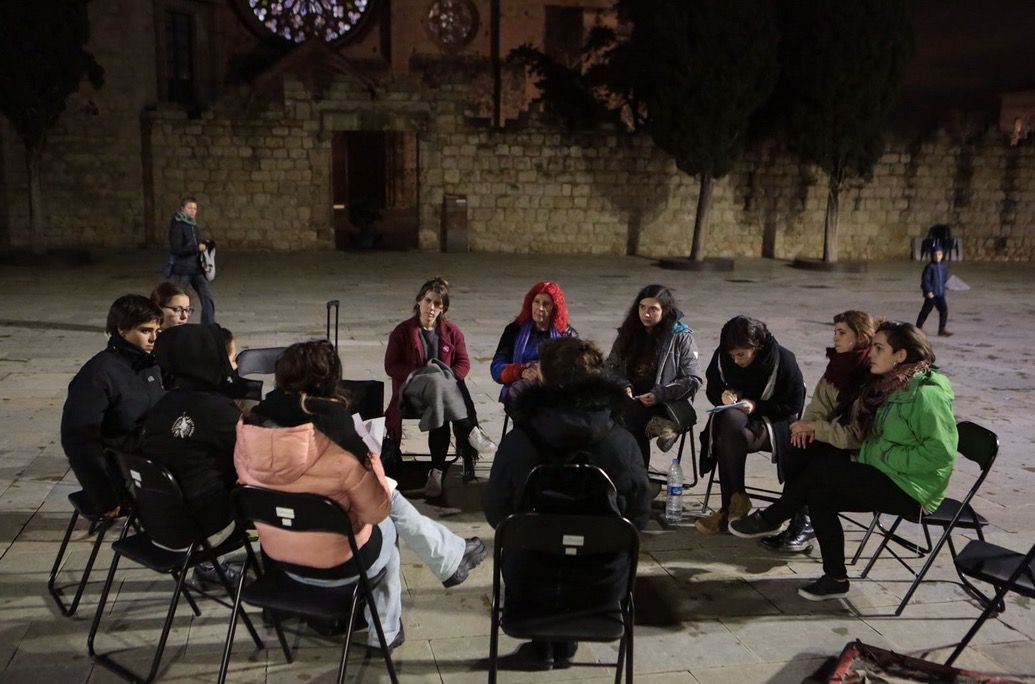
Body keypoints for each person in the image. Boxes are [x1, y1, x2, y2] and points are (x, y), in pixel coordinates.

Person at [235, 340, 488, 655]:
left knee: (378, 506)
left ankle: (451, 555)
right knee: (389, 519)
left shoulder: (248, 430)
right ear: (328, 382)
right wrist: (372, 461)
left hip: (278, 561)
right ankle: (386, 632)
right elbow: (377, 510)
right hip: (335, 567)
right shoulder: (336, 436)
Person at [731, 321, 958, 602]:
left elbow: (940, 454)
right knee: (818, 493)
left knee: (823, 471)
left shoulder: (926, 395)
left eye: (879, 348)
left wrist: (883, 454)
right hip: (885, 473)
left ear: (901, 355)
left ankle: (776, 515)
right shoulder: (891, 385)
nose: (871, 354)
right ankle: (835, 578)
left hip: (913, 490)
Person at [484, 337, 652, 667]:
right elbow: (639, 516)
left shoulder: (520, 440)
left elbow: (496, 511)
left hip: (530, 584)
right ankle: (559, 643)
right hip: (602, 587)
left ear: (545, 379)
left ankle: (546, 645)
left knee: (539, 545)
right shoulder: (621, 443)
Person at [763, 310, 877, 553]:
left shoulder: (870, 372)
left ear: (861, 336)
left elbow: (856, 433)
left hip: (857, 449)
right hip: (832, 436)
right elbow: (819, 405)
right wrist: (806, 426)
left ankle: (797, 520)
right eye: (834, 331)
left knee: (817, 461)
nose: (835, 338)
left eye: (842, 332)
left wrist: (814, 427)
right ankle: (797, 522)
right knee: (798, 445)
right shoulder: (837, 364)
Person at [384, 277, 495, 493]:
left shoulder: (452, 333)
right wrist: (423, 374)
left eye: (437, 304)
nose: (431, 308)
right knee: (437, 378)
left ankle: (435, 473)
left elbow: (463, 364)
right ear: (419, 301)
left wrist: (444, 378)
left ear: (443, 309)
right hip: (411, 395)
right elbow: (391, 366)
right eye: (428, 301)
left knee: (440, 403)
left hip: (440, 399)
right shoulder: (403, 332)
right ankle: (470, 431)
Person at [696, 315, 804, 535]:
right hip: (736, 423)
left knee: (729, 435)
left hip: (773, 421)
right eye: (732, 355)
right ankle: (737, 500)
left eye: (741, 355)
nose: (736, 360)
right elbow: (712, 388)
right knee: (728, 423)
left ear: (756, 347)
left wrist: (756, 406)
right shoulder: (722, 357)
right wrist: (723, 396)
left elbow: (793, 404)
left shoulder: (782, 359)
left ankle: (729, 506)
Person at [60, 295, 165, 516]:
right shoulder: (98, 373)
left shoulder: (150, 364)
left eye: (157, 331)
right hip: (126, 474)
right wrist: (105, 495)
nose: (154, 338)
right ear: (122, 330)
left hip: (153, 458)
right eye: (145, 331)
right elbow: (79, 439)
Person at [142, 324, 241, 550]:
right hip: (201, 526)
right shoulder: (219, 411)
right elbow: (254, 461)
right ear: (211, 361)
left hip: (156, 520)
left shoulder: (163, 404)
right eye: (232, 359)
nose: (235, 367)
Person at [605, 284, 703, 467]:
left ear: (665, 311)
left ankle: (638, 479)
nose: (646, 314)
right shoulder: (629, 333)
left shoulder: (680, 336)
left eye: (653, 309)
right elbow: (611, 367)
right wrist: (623, 386)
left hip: (665, 403)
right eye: (642, 308)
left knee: (630, 421)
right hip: (631, 397)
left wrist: (659, 394)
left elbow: (693, 379)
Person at [490, 281, 577, 410]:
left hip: (553, 391)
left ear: (555, 308)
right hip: (520, 391)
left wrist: (545, 373)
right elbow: (496, 367)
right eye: (536, 302)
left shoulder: (567, 335)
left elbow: (576, 372)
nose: (540, 308)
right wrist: (520, 372)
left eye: (546, 304)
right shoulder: (514, 330)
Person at [166, 196, 215, 325]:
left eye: (195, 208)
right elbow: (176, 249)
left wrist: (204, 245)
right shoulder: (177, 225)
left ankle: (209, 325)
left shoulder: (193, 225)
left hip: (196, 268)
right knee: (176, 299)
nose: (193, 211)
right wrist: (196, 248)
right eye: (190, 208)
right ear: (182, 209)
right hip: (183, 269)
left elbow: (195, 242)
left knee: (207, 297)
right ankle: (171, 322)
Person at [916, 242, 952, 337]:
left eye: (939, 254)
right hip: (932, 294)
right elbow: (925, 280)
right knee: (925, 311)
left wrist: (946, 286)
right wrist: (928, 291)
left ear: (942, 255)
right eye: (935, 254)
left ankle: (942, 328)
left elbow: (944, 279)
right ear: (932, 255)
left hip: (940, 294)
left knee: (944, 310)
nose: (937, 256)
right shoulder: (930, 267)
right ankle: (918, 327)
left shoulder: (943, 267)